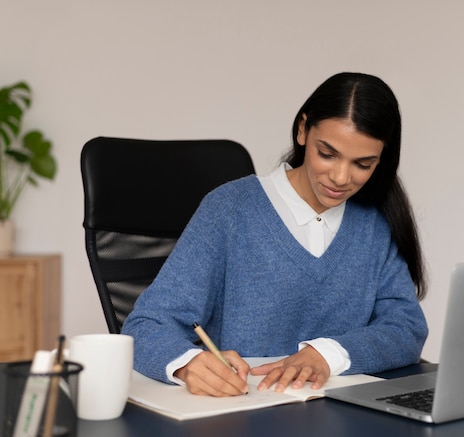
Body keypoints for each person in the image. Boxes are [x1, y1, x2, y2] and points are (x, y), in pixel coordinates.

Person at [121, 72, 428, 397]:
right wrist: (187, 363)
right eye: (327, 154)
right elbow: (146, 325)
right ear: (302, 130)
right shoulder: (229, 210)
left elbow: (406, 329)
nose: (340, 177)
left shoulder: (375, 223)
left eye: (362, 164)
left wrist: (325, 355)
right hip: (245, 413)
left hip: (341, 418)